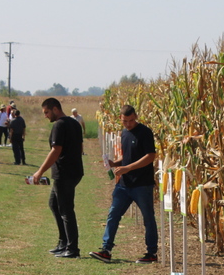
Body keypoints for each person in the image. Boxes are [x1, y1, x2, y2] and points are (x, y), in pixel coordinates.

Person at [89, 105, 158, 264]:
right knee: (113, 214)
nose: (128, 124)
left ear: (136, 117)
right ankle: (106, 249)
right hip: (124, 184)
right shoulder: (124, 133)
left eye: (131, 120)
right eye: (125, 121)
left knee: (148, 218)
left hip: (142, 184)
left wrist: (128, 168)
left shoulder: (145, 132)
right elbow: (128, 157)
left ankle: (151, 253)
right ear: (120, 119)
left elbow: (150, 156)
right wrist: (115, 163)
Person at [31, 98, 83, 258]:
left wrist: (40, 172)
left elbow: (55, 151)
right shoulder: (75, 123)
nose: (46, 116)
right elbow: (80, 147)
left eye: (46, 112)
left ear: (55, 109)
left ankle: (72, 248)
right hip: (75, 171)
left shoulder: (59, 125)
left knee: (66, 209)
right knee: (54, 204)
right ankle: (63, 242)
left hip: (65, 173)